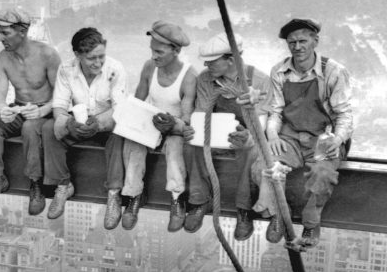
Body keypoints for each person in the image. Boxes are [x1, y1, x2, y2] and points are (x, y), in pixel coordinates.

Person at [251, 18, 352, 247]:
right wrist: (273, 136)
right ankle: (278, 213)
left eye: (303, 41)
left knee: (322, 174)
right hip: (291, 137)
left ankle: (311, 222)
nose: (297, 47)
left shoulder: (333, 71)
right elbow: (275, 111)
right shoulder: (279, 71)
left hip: (323, 138)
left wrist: (337, 139)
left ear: (315, 41)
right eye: (292, 42)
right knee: (263, 166)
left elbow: (345, 114)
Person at [182, 32, 271, 240]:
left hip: (247, 134)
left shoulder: (259, 80)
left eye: (212, 61)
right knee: (191, 145)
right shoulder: (205, 78)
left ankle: (244, 209)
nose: (206, 65)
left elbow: (261, 123)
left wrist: (247, 136)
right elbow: (202, 112)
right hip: (216, 132)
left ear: (231, 60)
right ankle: (199, 200)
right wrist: (194, 129)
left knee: (251, 151)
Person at [43, 27, 128, 228]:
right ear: (77, 55)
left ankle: (114, 193)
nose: (98, 63)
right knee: (49, 129)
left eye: (101, 57)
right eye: (91, 58)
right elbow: (59, 105)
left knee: (120, 134)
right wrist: (69, 123)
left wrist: (98, 124)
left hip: (106, 123)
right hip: (79, 122)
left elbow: (120, 109)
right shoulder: (66, 69)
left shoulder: (115, 69)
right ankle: (63, 184)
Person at [0, 8, 61, 214]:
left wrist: (43, 111)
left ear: (22, 32)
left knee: (30, 128)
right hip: (19, 107)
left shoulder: (48, 55)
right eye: (0, 32)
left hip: (44, 112)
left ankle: (36, 184)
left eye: (6, 33)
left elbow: (62, 95)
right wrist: (3, 110)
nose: (1, 38)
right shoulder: (2, 59)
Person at [123, 21, 197, 231]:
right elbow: (138, 101)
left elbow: (187, 117)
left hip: (174, 128)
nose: (154, 56)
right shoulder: (149, 67)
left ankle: (177, 198)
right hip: (152, 123)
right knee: (134, 143)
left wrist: (173, 124)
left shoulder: (189, 76)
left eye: (159, 52)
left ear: (176, 51)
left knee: (174, 148)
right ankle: (134, 195)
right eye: (152, 50)